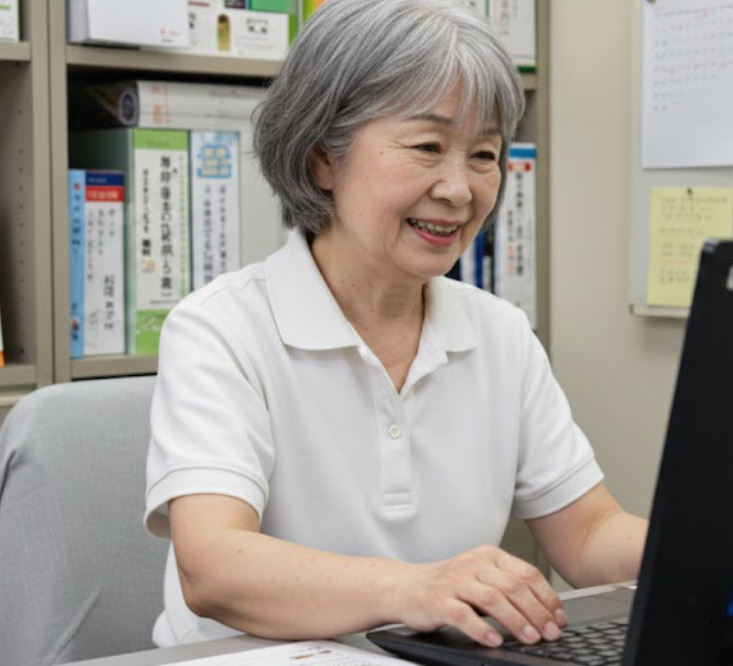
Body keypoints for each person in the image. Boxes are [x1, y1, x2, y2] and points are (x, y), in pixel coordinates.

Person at [143, 0, 647, 650]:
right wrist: (412, 587)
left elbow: (587, 537)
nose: (460, 189)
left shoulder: (500, 334)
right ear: (323, 157)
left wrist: (724, 551)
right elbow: (212, 568)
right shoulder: (221, 329)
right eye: (428, 147)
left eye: (484, 155)